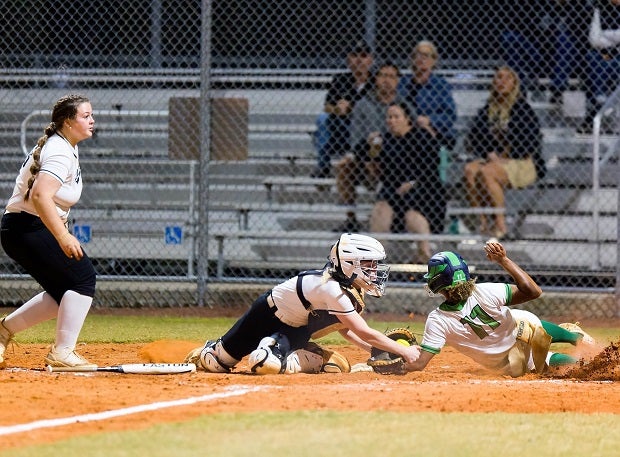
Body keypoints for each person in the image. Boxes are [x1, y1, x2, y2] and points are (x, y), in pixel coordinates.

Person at [185, 233, 420, 374]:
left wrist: (376, 350)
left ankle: (313, 357)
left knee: (265, 363)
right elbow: (361, 330)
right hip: (265, 314)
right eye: (369, 264)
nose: (375, 270)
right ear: (350, 264)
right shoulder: (332, 288)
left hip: (294, 328)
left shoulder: (349, 288)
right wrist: (402, 350)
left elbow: (345, 329)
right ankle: (215, 348)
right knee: (216, 362)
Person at [0, 94, 97, 369]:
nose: (92, 120)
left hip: (21, 226)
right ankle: (62, 353)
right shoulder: (60, 150)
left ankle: (3, 332)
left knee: (63, 290)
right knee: (82, 280)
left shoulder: (66, 146)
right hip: (26, 226)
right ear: (67, 121)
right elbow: (41, 196)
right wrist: (63, 236)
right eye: (85, 116)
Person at [403, 242, 596, 377]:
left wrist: (397, 361)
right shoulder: (484, 290)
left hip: (512, 361)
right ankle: (573, 337)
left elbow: (419, 364)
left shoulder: (437, 319)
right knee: (525, 322)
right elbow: (533, 291)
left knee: (544, 362)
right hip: (524, 328)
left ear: (439, 283)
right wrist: (504, 260)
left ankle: (591, 362)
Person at [462, 66, 544, 239]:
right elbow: (474, 136)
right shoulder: (487, 109)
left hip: (521, 161)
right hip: (493, 160)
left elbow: (531, 141)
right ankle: (482, 223)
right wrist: (489, 152)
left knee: (487, 171)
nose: (502, 82)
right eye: (498, 77)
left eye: (507, 78)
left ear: (514, 84)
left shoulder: (522, 109)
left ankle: (500, 225)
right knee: (470, 170)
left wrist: (507, 155)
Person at [334, 63, 408, 232]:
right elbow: (356, 140)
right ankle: (351, 218)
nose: (386, 81)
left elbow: (408, 137)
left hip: (395, 160)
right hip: (366, 157)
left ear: (398, 81)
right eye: (382, 76)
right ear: (375, 79)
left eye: (391, 76)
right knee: (345, 166)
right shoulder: (363, 104)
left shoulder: (404, 105)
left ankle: (394, 216)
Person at [367, 102, 446, 262]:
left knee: (412, 216)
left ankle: (425, 254)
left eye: (396, 117)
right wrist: (373, 150)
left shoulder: (421, 136)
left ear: (407, 119)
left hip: (423, 191)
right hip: (394, 191)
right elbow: (376, 170)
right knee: (380, 209)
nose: (391, 121)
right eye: (389, 117)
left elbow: (431, 167)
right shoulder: (385, 139)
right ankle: (376, 257)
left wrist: (412, 182)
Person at [311, 41, 374, 178]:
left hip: (364, 126)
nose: (358, 60)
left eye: (363, 56)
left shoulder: (375, 81)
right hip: (340, 125)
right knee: (322, 119)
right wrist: (338, 109)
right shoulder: (341, 79)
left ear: (370, 60)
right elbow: (327, 106)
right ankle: (323, 166)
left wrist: (351, 107)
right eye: (354, 55)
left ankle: (360, 167)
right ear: (348, 59)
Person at [397, 40, 457, 152]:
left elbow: (450, 115)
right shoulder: (403, 83)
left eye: (426, 55)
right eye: (418, 54)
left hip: (433, 133)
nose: (421, 58)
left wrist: (429, 120)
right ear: (412, 59)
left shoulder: (440, 85)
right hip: (405, 131)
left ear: (434, 60)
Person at [577, 0, 620, 134]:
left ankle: (598, 103)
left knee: (606, 63)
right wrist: (613, 39)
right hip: (601, 54)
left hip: (616, 54)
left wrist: (606, 36)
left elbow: (601, 38)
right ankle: (599, 97)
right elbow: (594, 39)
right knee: (593, 58)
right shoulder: (598, 9)